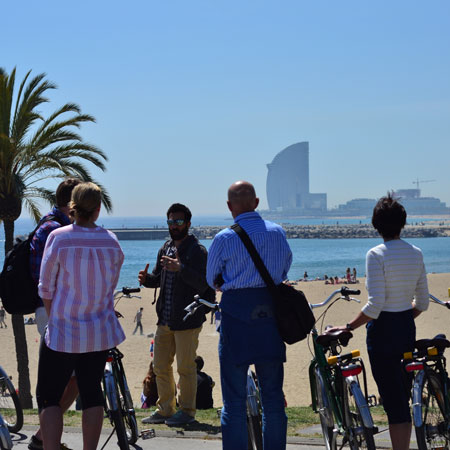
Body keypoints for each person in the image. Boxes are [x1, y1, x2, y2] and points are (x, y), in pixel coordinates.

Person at [328, 194, 429, 450]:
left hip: (383, 333)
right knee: (402, 399)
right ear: (402, 223)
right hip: (406, 327)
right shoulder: (416, 253)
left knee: (393, 403)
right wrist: (404, 315)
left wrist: (349, 326)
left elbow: (375, 305)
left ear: (376, 225)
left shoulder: (376, 254)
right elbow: (424, 302)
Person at [36, 182, 125, 450]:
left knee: (49, 398)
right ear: (98, 210)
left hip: (63, 332)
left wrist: (54, 320)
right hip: (98, 332)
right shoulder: (111, 241)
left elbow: (45, 287)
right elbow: (109, 288)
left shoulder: (60, 237)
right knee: (92, 395)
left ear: (72, 207)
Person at [206, 181, 292, 450]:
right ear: (256, 203)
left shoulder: (224, 238)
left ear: (230, 207)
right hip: (269, 317)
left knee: (233, 399)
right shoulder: (277, 233)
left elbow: (211, 279)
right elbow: (285, 269)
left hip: (236, 318)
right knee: (273, 398)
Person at [138, 203, 214, 426]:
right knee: (160, 366)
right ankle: (165, 409)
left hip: (188, 320)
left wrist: (181, 268)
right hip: (165, 318)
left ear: (188, 224)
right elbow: (159, 279)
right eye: (171, 221)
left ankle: (187, 412)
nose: (174, 226)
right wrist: (146, 280)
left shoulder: (197, 251)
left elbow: (205, 285)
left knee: (185, 367)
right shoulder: (166, 248)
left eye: (179, 221)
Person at [28, 178, 82, 450]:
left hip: (59, 310)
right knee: (59, 382)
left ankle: (44, 436)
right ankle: (46, 439)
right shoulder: (54, 229)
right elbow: (43, 279)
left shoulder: (56, 226)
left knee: (73, 379)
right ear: (73, 202)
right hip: (53, 311)